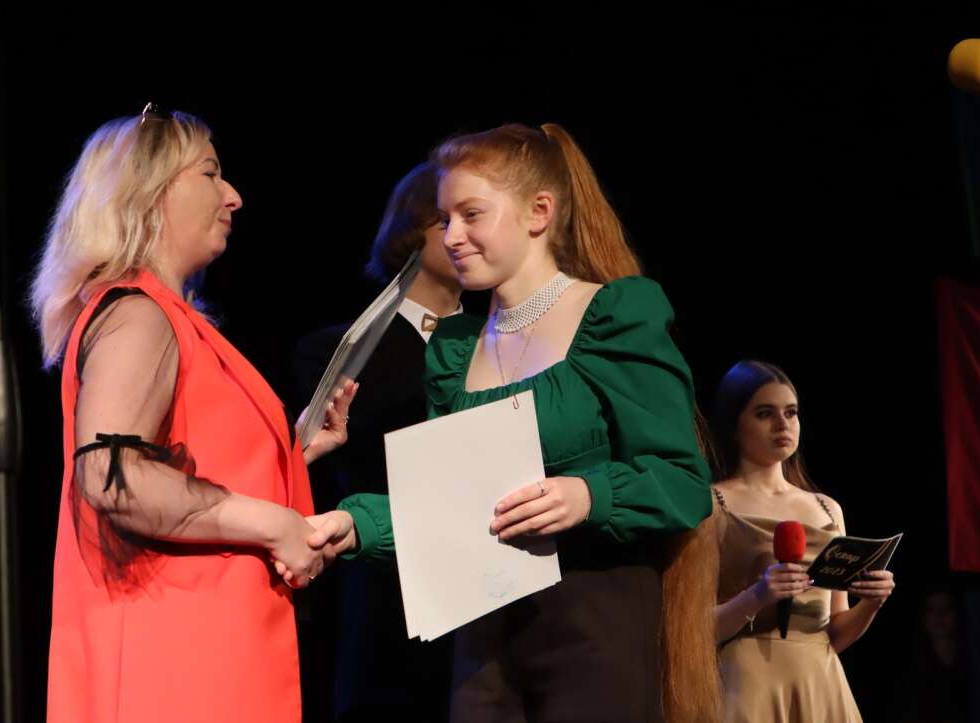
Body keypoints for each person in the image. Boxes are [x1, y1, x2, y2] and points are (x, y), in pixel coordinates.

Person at [298, 123, 719, 722]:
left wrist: (587, 495)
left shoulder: (613, 319)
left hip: (594, 628)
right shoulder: (454, 350)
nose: (453, 237)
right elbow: (448, 507)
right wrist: (353, 522)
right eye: (445, 219)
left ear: (538, 212)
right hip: (483, 643)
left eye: (472, 215)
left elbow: (683, 482)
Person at [29, 104, 355, 723]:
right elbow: (112, 476)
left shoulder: (168, 317)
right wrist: (275, 523)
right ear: (149, 192)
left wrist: (285, 455)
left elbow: (183, 459)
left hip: (206, 651)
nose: (232, 196)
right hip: (172, 664)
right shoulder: (138, 313)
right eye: (209, 173)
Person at [293, 160, 461, 722]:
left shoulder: (506, 341)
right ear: (411, 232)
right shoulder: (338, 352)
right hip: (386, 604)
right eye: (449, 219)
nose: (468, 235)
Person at [709, 360, 895, 722]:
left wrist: (871, 603)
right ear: (734, 424)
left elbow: (833, 633)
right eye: (765, 413)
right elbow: (692, 630)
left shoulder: (827, 508)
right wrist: (758, 596)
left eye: (791, 413)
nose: (783, 424)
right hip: (747, 685)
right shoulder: (713, 505)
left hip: (819, 682)